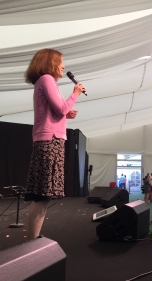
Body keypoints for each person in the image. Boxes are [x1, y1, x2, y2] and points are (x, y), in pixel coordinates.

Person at [24, 48, 84, 241]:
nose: (63, 66)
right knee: (42, 194)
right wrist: (75, 94)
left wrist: (67, 113)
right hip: (49, 140)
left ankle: (34, 239)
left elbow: (58, 111)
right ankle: (32, 241)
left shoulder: (45, 81)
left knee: (44, 194)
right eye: (60, 62)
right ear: (50, 63)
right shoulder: (47, 79)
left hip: (50, 139)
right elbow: (60, 108)